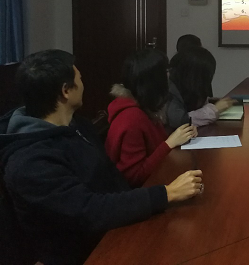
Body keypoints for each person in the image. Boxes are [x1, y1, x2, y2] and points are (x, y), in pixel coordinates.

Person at [0, 50, 203, 264]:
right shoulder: (30, 162)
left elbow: (112, 182)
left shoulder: (77, 126)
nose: (83, 84)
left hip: (114, 230)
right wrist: (166, 193)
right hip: (87, 252)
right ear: (66, 91)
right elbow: (89, 211)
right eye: (80, 79)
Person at [105, 49, 198, 187]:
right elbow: (134, 178)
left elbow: (155, 146)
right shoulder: (131, 119)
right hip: (140, 193)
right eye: (165, 72)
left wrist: (181, 135)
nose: (168, 76)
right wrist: (169, 143)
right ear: (154, 80)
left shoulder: (145, 107)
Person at [165, 47, 234, 130]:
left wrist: (212, 102)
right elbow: (180, 121)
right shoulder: (169, 90)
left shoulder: (185, 85)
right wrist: (214, 110)